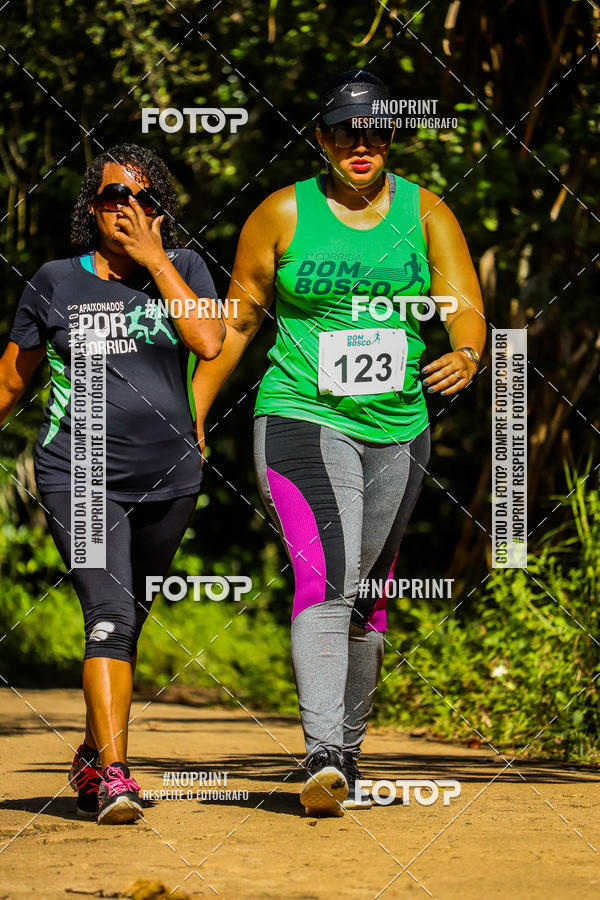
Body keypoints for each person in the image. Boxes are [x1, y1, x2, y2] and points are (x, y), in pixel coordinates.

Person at [192, 71, 485, 815]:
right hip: (301, 414)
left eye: (377, 131)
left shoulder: (427, 212)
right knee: (326, 572)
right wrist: (190, 414)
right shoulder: (283, 212)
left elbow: (464, 307)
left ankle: (346, 759)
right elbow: (239, 323)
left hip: (399, 428)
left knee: (370, 596)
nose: (361, 144)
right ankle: (320, 748)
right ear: (322, 138)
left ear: (392, 136)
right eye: (345, 132)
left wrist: (468, 353)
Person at [0, 143, 224, 823]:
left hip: (169, 475)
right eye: (109, 196)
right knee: (110, 616)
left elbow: (208, 344)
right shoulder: (54, 281)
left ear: (159, 209)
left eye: (138, 196)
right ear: (89, 207)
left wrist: (157, 262)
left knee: (129, 624)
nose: (122, 208)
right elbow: (13, 379)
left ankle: (94, 755)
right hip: (81, 469)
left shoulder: (184, 269)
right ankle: (118, 777)